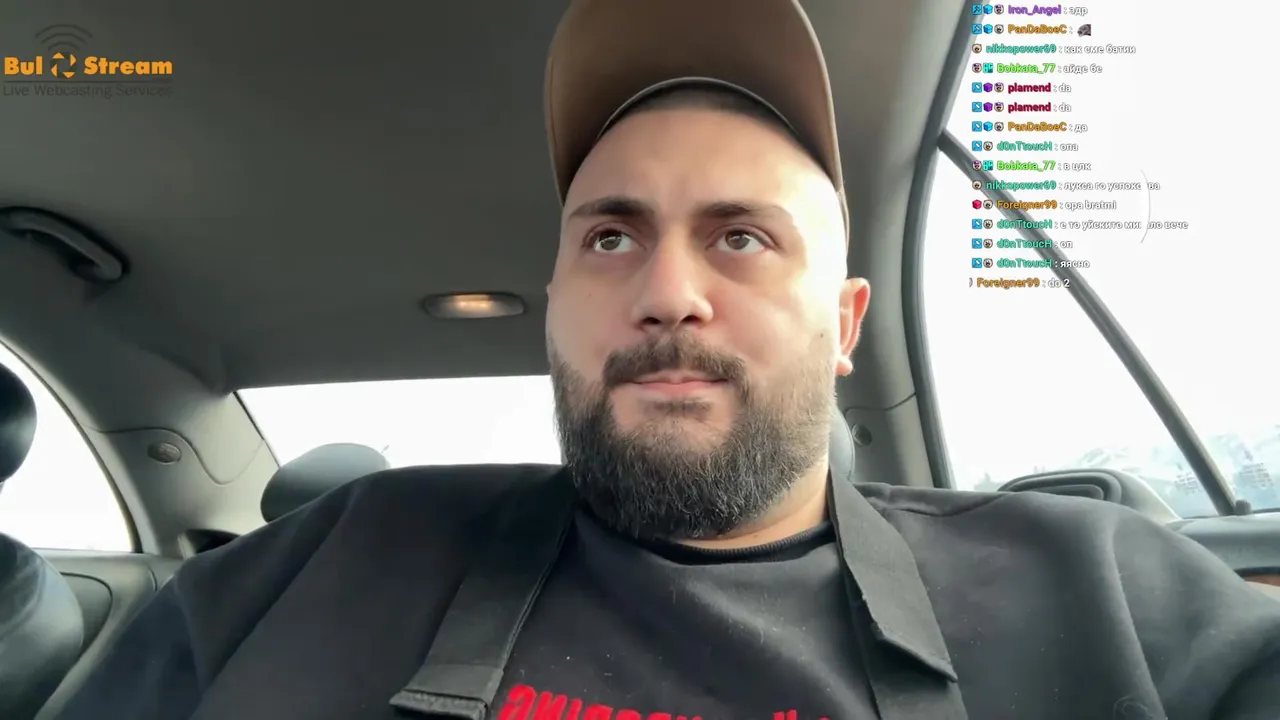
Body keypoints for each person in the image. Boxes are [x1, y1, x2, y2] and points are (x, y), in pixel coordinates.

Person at [58, 0, 1280, 718]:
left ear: (844, 324)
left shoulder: (1104, 592)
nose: (666, 295)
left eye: (740, 237)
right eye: (609, 238)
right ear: (556, 308)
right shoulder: (317, 567)